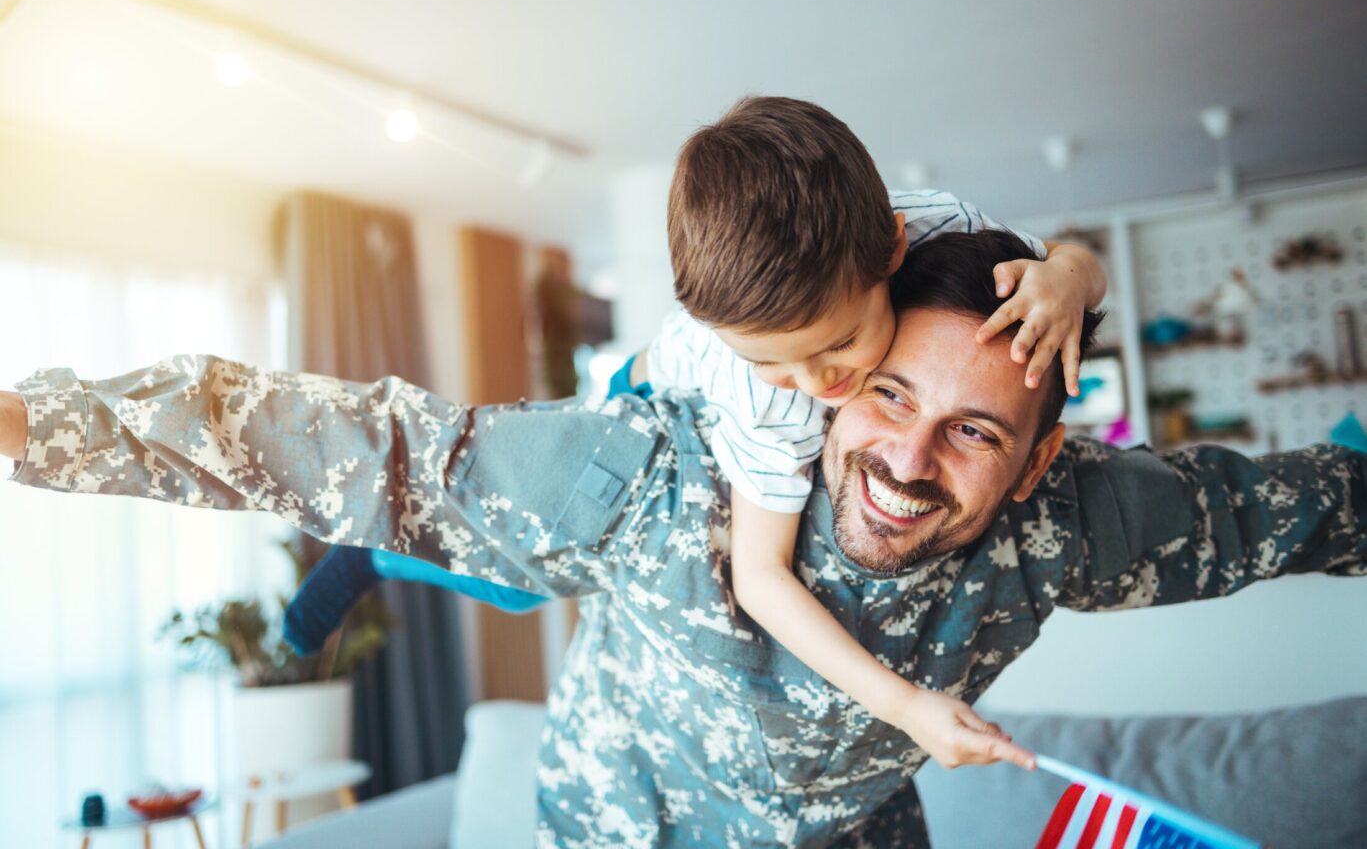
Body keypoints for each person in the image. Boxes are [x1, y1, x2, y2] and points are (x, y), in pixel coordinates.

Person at [3, 230, 1361, 847]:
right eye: (889, 395)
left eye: (971, 433)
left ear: (1034, 462)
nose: (905, 460)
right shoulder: (647, 476)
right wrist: (24, 427)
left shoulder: (1063, 528)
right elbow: (337, 438)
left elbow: (1288, 508)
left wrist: (1074, 261)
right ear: (836, 368)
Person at [287, 98, 1108, 774]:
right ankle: (380, 550)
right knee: (527, 573)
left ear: (891, 246)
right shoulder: (770, 399)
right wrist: (904, 705)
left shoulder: (946, 227)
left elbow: (1075, 257)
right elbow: (760, 577)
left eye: (838, 345)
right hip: (646, 395)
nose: (818, 382)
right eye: (772, 359)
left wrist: (1068, 278)